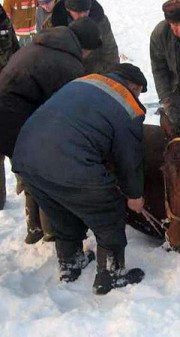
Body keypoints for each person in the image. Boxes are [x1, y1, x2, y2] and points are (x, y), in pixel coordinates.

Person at [12, 63, 148, 295]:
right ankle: (111, 274)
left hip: (26, 157)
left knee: (60, 210)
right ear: (133, 86)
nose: (136, 97)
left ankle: (70, 263)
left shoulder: (83, 82)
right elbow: (129, 157)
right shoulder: (127, 105)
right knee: (109, 210)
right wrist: (134, 195)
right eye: (138, 92)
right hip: (68, 162)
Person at [0, 17, 102, 243]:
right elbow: (68, 113)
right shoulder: (68, 64)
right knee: (47, 173)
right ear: (83, 46)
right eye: (88, 52)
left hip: (10, 118)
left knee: (30, 172)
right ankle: (53, 231)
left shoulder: (40, 46)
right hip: (13, 121)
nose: (87, 57)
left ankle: (34, 227)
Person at [51, 0, 119, 73]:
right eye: (78, 12)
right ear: (68, 9)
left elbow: (110, 52)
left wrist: (107, 76)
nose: (83, 15)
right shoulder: (55, 26)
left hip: (96, 72)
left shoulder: (100, 21)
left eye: (86, 11)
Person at [1, 3, 20, 211]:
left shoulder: (2, 19)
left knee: (18, 143)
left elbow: (15, 50)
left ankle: (26, 186)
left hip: (8, 91)